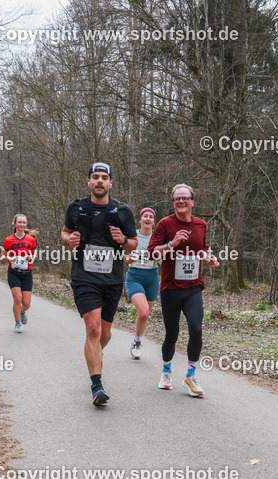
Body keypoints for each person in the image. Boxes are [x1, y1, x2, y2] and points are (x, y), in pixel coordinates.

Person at [61, 162, 137, 406]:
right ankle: (97, 385)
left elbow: (133, 243)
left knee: (104, 334)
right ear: (89, 182)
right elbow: (64, 232)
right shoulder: (77, 207)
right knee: (93, 329)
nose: (100, 181)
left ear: (110, 183)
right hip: (84, 276)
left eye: (104, 177)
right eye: (95, 177)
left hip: (113, 278)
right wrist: (69, 239)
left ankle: (93, 353)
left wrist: (123, 240)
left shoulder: (122, 211)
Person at [148, 184, 220, 397]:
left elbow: (202, 248)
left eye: (185, 198)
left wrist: (208, 257)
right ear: (173, 202)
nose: (181, 201)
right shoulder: (164, 224)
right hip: (170, 288)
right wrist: (171, 244)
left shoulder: (201, 225)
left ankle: (190, 376)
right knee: (172, 334)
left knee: (196, 329)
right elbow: (152, 253)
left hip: (193, 287)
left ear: (192, 202)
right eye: (177, 198)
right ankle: (167, 371)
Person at [124, 207, 159, 359]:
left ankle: (137, 340)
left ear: (153, 221)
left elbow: (164, 257)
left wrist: (159, 256)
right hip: (134, 277)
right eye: (145, 216)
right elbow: (120, 251)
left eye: (150, 217)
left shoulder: (158, 238)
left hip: (152, 278)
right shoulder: (133, 236)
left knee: (145, 315)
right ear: (140, 220)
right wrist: (126, 257)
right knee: (143, 311)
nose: (148, 219)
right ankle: (137, 343)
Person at [3, 215, 37, 333]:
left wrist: (30, 257)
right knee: (18, 298)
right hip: (14, 273)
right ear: (15, 223)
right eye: (20, 222)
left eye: (24, 222)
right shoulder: (9, 239)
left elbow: (35, 254)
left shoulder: (30, 239)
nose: (22, 225)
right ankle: (17, 324)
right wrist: (8, 259)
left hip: (27, 273)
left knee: (26, 303)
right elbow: (2, 255)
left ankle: (22, 312)